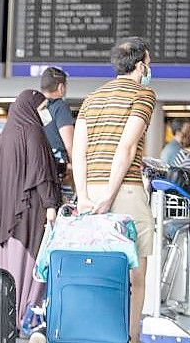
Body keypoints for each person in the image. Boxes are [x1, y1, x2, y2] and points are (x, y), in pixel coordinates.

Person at [73, 37, 157, 340]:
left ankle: (97, 332)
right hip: (125, 191)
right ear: (141, 62)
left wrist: (83, 195)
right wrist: (110, 195)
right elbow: (128, 146)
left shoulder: (92, 97)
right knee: (136, 275)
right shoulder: (143, 94)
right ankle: (129, 337)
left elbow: (78, 150)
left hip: (90, 192)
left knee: (98, 270)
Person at [0, 90, 60, 330]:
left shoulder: (8, 132)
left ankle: (8, 316)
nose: (46, 113)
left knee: (10, 263)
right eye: (42, 108)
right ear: (31, 108)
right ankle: (25, 315)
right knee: (30, 264)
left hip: (8, 211)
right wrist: (51, 205)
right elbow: (41, 173)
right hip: (30, 210)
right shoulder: (33, 131)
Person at [40, 67, 75, 172]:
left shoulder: (36, 107)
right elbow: (70, 144)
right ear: (61, 87)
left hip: (41, 166)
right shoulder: (60, 106)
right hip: (59, 167)